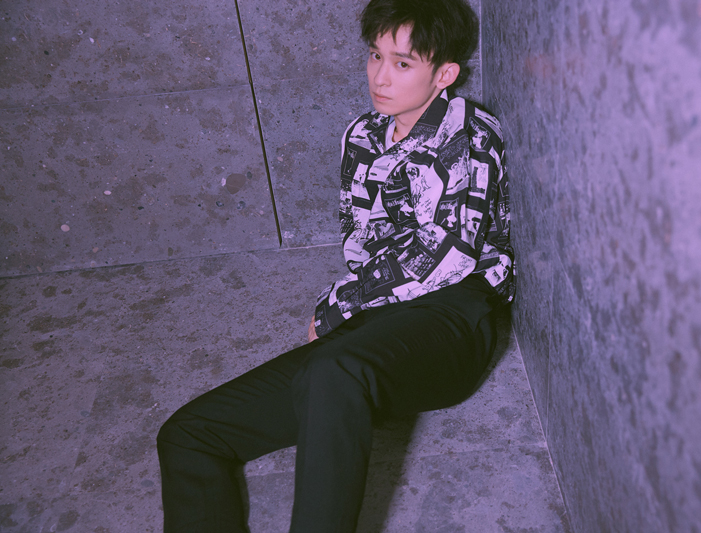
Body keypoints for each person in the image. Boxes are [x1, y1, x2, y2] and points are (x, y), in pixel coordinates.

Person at [156, 0, 514, 531]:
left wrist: (339, 304)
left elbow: (447, 256)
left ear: (444, 74)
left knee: (332, 369)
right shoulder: (363, 135)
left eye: (402, 63)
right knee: (188, 434)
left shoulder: (469, 135)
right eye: (375, 55)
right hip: (380, 316)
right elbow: (359, 239)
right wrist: (354, 304)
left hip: (455, 316)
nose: (380, 76)